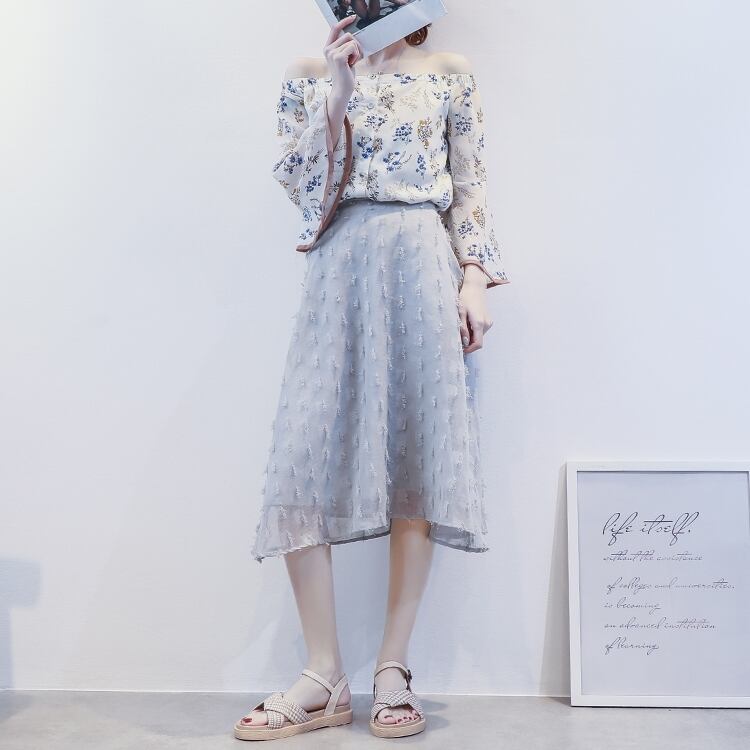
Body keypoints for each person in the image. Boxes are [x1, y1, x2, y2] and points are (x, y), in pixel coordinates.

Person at [234, 12, 510, 742]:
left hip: (422, 266)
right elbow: (304, 192)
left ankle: (393, 669)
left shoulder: (448, 71)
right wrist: (338, 88)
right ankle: (323, 672)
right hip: (340, 269)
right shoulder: (308, 75)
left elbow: (470, 186)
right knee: (302, 462)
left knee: (416, 460)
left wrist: (474, 280)